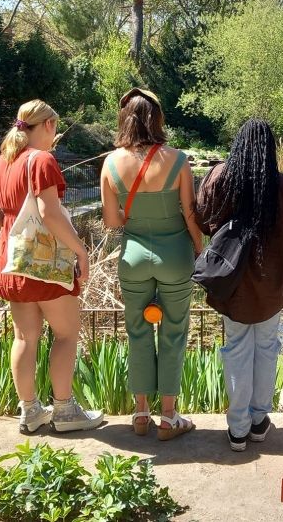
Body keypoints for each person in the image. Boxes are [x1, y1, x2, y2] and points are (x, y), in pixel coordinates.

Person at [0, 99, 103, 434]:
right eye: (56, 128)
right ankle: (64, 411)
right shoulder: (42, 160)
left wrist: (15, 230)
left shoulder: (0, 163)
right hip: (43, 264)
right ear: (48, 125)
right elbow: (48, 212)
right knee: (66, 333)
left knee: (24, 337)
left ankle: (31, 411)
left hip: (10, 261)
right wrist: (80, 250)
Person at [196, 119, 283, 452]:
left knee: (236, 351)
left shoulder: (219, 178)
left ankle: (238, 428)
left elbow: (203, 219)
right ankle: (259, 421)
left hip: (231, 284)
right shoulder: (282, 185)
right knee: (267, 349)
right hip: (270, 283)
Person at [101, 87, 203, 441]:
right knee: (174, 332)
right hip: (174, 254)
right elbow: (191, 214)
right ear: (157, 118)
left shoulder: (110, 163)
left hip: (133, 255)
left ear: (124, 118)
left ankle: (141, 412)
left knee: (137, 332)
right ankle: (169, 417)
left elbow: (113, 222)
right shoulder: (178, 159)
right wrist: (200, 248)